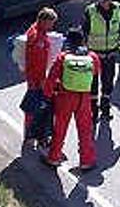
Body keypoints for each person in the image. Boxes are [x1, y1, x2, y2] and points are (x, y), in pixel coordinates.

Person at [43, 28, 102, 169]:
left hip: (65, 97)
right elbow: (95, 73)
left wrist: (47, 95)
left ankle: (54, 158)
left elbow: (51, 79)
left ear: (68, 41)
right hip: (84, 97)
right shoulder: (92, 57)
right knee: (85, 130)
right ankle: (86, 161)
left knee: (60, 128)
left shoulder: (63, 57)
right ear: (83, 41)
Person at [82, 0, 120, 120]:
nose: (103, 3)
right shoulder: (90, 11)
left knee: (108, 82)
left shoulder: (118, 10)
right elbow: (84, 31)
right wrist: (83, 49)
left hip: (111, 53)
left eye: (106, 1)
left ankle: (105, 108)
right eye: (101, 0)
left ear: (111, 0)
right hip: (94, 55)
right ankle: (93, 111)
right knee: (93, 84)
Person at [20, 7, 58, 145]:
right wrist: (40, 81)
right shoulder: (37, 38)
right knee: (33, 108)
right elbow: (36, 63)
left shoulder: (37, 31)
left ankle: (35, 135)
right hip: (36, 79)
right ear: (44, 21)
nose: (52, 26)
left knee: (36, 107)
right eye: (51, 23)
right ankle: (30, 136)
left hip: (36, 78)